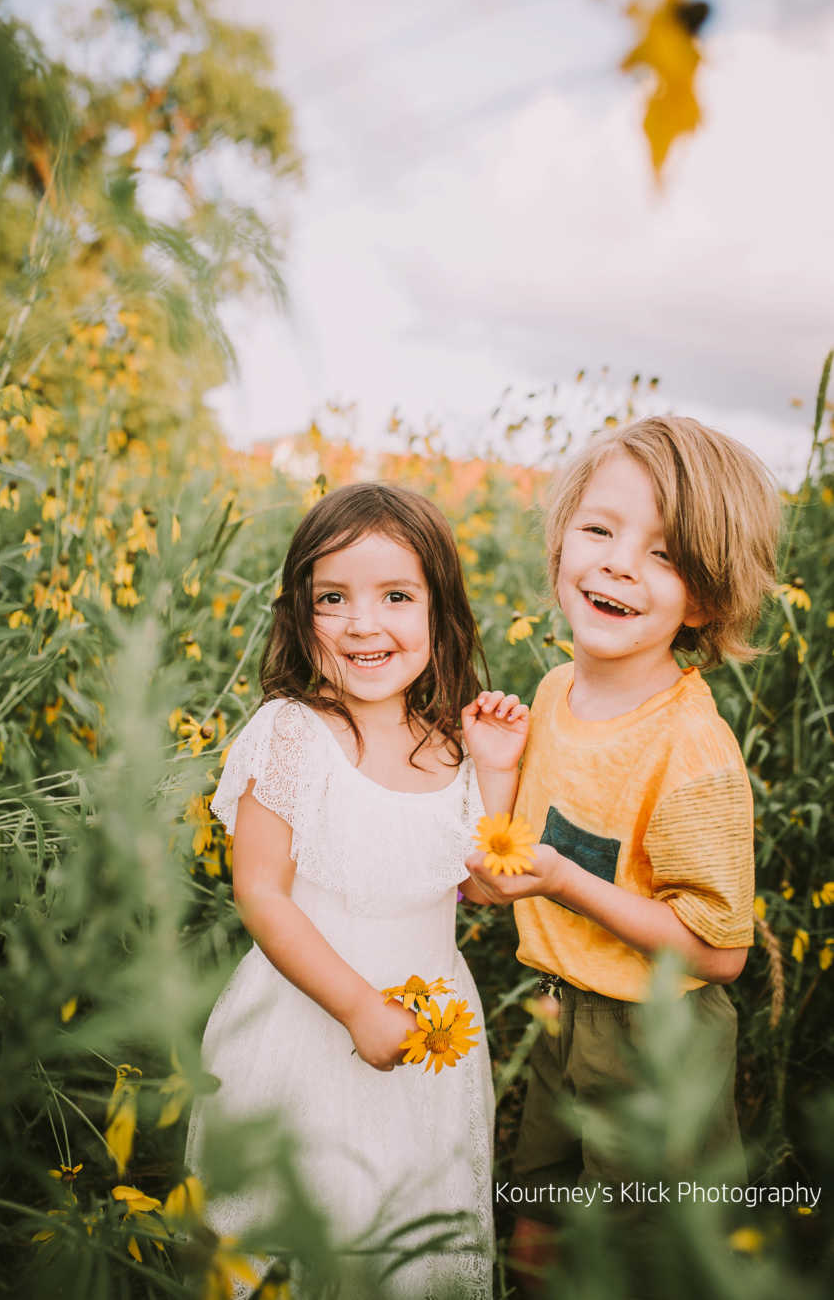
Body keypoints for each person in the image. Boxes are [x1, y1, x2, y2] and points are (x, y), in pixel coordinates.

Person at [461, 416, 780, 1296]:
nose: (618, 564)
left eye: (664, 555)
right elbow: (504, 877)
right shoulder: (557, 692)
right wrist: (495, 776)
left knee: (634, 1256)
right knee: (538, 1218)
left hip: (656, 1040)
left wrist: (568, 883)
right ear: (562, 538)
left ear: (706, 600)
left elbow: (721, 950)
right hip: (564, 1015)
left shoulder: (692, 753)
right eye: (600, 530)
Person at [186, 483, 521, 1299]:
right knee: (281, 1233)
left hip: (431, 1034)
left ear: (441, 617)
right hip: (303, 1029)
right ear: (301, 616)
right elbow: (262, 892)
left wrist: (498, 769)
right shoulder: (293, 732)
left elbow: (487, 887)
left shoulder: (451, 746)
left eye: (396, 597)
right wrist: (357, 1008)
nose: (363, 624)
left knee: (400, 1235)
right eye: (332, 598)